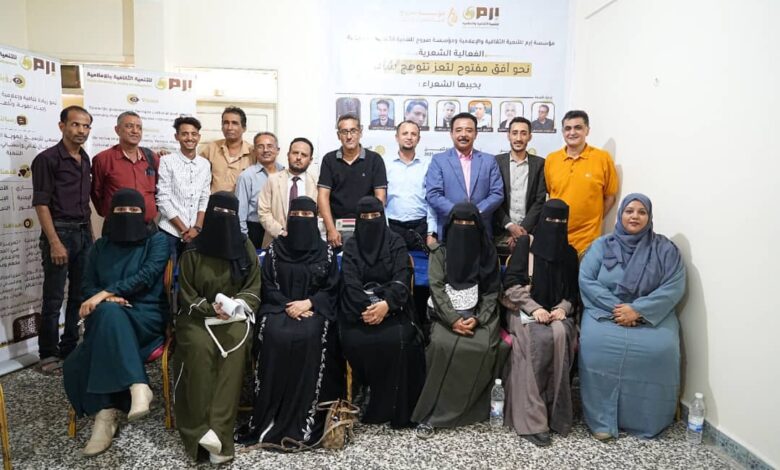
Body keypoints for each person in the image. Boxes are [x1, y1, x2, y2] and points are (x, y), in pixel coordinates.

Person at [62, 189, 168, 456]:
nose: (127, 215)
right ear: (111, 214)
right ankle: (135, 387)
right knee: (104, 321)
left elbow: (147, 275)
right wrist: (107, 300)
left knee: (92, 340)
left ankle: (105, 418)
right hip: (107, 315)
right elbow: (87, 286)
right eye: (121, 210)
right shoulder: (100, 247)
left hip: (145, 316)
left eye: (134, 211)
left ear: (143, 214)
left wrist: (105, 293)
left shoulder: (157, 242)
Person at [236, 196, 344, 446]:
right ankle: (269, 415)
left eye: (307, 216)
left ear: (315, 219)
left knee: (311, 335)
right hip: (279, 309)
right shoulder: (276, 250)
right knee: (274, 335)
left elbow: (332, 288)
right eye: (296, 216)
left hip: (313, 311)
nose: (301, 220)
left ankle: (306, 415)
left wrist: (309, 303)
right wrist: (288, 305)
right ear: (288, 218)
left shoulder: (326, 252)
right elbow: (267, 285)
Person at [579, 193, 686, 441]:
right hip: (606, 313)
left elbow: (674, 286)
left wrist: (639, 309)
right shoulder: (601, 246)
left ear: (649, 216)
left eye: (641, 212)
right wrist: (619, 309)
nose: (635, 216)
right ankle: (602, 420)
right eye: (629, 211)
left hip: (651, 315)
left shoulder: (665, 249)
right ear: (620, 215)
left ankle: (649, 420)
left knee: (662, 349)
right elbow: (587, 280)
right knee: (595, 345)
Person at [173, 192, 261, 464]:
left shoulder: (244, 246)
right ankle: (199, 432)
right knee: (199, 352)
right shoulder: (192, 251)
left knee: (232, 354)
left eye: (230, 214)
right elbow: (186, 294)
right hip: (197, 318)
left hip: (234, 318)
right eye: (219, 213)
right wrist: (210, 308)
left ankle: (219, 433)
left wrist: (235, 306)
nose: (224, 219)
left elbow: (254, 286)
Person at [412, 203, 501, 437]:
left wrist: (478, 319)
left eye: (469, 223)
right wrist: (453, 320)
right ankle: (434, 412)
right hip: (445, 315)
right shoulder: (440, 253)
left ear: (478, 227)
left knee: (483, 346)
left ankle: (469, 408)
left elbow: (491, 291)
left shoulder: (487, 253)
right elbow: (437, 288)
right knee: (442, 344)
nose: (463, 228)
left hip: (480, 314)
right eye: (459, 223)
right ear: (450, 227)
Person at [340, 197, 426, 427]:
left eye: (375, 216)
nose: (370, 221)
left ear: (383, 217)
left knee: (401, 340)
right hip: (360, 312)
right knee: (355, 340)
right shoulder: (351, 246)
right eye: (365, 217)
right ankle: (367, 390)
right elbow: (350, 283)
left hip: (393, 309)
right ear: (358, 220)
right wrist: (368, 309)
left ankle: (394, 404)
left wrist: (386, 306)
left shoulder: (395, 242)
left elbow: (402, 277)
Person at [500, 199, 579, 447]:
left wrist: (563, 308)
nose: (555, 225)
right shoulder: (526, 245)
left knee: (560, 337)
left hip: (557, 314)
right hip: (524, 310)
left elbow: (573, 293)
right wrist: (535, 308)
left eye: (561, 221)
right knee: (537, 340)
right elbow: (511, 284)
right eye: (550, 219)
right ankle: (532, 420)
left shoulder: (569, 253)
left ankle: (556, 415)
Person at [31, 106, 94, 372]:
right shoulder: (47, 159)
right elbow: (41, 204)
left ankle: (70, 347)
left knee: (79, 295)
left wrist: (90, 236)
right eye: (75, 124)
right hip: (60, 232)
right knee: (54, 297)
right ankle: (48, 353)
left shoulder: (85, 158)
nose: (81, 130)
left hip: (83, 232)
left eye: (86, 126)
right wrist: (54, 241)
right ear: (62, 126)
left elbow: (85, 202)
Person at [544, 110, 618, 254]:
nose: (572, 132)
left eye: (578, 127)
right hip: (556, 236)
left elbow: (610, 197)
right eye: (568, 128)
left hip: (588, 241)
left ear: (587, 130)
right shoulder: (551, 159)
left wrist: (593, 221)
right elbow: (550, 191)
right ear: (563, 132)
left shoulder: (602, 159)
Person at [425, 112, 503, 241]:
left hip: (481, 229)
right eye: (458, 130)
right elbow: (433, 194)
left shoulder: (489, 161)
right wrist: (458, 213)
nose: (463, 134)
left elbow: (497, 193)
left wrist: (476, 212)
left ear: (476, 134)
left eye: (469, 130)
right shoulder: (439, 160)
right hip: (450, 229)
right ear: (451, 133)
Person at [318, 114, 387, 248]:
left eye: (353, 131)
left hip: (368, 226)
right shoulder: (329, 160)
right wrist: (331, 229)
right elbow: (323, 196)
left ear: (360, 132)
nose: (349, 136)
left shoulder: (375, 160)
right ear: (338, 135)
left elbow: (381, 197)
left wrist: (373, 226)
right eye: (344, 132)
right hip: (336, 229)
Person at [156, 116, 210, 262]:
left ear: (199, 137)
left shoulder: (205, 164)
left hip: (196, 232)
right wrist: (183, 229)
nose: (190, 138)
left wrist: (197, 227)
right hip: (170, 231)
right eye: (184, 134)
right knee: (168, 273)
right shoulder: (166, 161)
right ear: (177, 136)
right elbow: (163, 199)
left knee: (192, 272)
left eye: (194, 134)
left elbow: (204, 197)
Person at [91, 111, 159, 224]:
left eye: (139, 127)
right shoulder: (102, 159)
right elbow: (96, 193)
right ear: (117, 130)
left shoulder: (152, 158)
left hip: (147, 226)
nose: (135, 131)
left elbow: (159, 190)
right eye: (129, 126)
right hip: (117, 226)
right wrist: (108, 214)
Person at [494, 117, 547, 253]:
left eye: (523, 133)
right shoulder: (496, 162)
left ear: (530, 136)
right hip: (500, 231)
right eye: (514, 133)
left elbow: (540, 200)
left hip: (529, 233)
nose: (518, 138)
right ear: (508, 135)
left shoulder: (540, 164)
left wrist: (522, 230)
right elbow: (493, 198)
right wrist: (510, 226)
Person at [384, 121, 437, 252]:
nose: (409, 137)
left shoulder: (428, 165)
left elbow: (432, 200)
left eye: (413, 134)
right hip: (393, 227)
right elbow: (381, 200)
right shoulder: (385, 164)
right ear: (397, 137)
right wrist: (384, 229)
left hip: (421, 227)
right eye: (405, 133)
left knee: (423, 265)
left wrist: (431, 232)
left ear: (418, 139)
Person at [258, 138, 318, 248]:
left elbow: (320, 215)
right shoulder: (272, 180)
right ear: (288, 155)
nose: (298, 157)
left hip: (307, 243)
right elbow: (263, 212)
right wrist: (281, 232)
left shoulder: (316, 183)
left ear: (310, 160)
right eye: (295, 153)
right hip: (275, 241)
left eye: (304, 155)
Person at [235, 132, 284, 248]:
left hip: (281, 230)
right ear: (254, 151)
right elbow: (240, 213)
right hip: (256, 231)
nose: (265, 150)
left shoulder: (285, 173)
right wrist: (244, 240)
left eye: (270, 146)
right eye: (260, 146)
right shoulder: (246, 176)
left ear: (277, 150)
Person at [199, 106, 253, 193]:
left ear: (244, 128)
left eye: (234, 123)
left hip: (240, 201)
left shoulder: (253, 152)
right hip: (214, 200)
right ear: (222, 127)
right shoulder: (211, 148)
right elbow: (197, 173)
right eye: (226, 123)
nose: (229, 127)